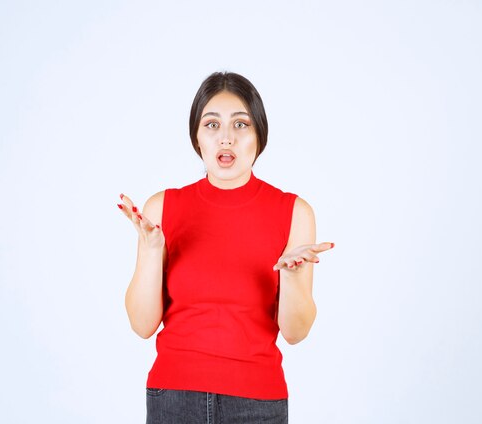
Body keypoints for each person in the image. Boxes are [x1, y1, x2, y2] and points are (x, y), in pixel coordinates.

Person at [117, 71, 334, 424]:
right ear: (197, 138)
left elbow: (296, 333)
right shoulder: (161, 209)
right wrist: (153, 249)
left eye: (241, 125)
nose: (227, 138)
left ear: (259, 136)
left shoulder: (294, 212)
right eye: (212, 125)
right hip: (173, 397)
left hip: (257, 402)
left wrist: (292, 277)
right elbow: (142, 325)